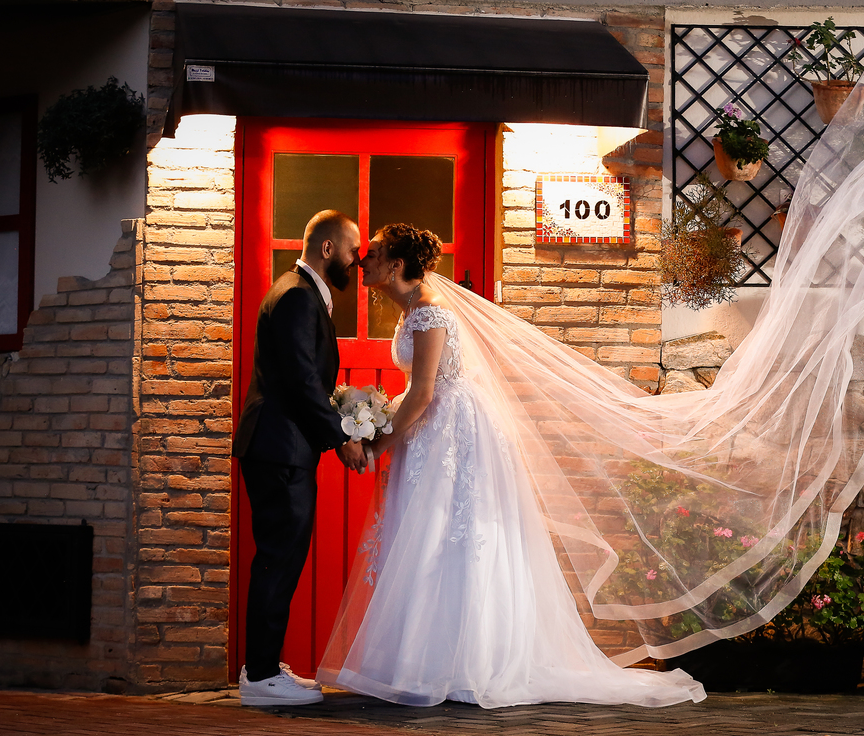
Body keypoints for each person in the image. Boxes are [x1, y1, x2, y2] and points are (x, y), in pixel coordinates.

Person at [316, 224, 705, 707]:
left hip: (454, 431)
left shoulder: (430, 311)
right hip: (432, 431)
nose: (363, 260)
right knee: (427, 535)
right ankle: (427, 661)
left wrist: (379, 443)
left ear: (396, 265)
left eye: (373, 253)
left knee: (453, 535)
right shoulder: (409, 309)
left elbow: (424, 393)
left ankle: (468, 664)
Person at [234, 209, 369, 707]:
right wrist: (341, 437)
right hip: (280, 449)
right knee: (279, 558)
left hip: (279, 447)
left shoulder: (298, 291)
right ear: (328, 249)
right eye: (352, 251)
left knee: (281, 557)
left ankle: (264, 666)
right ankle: (261, 677)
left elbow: (304, 377)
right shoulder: (296, 295)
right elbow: (300, 379)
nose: (356, 261)